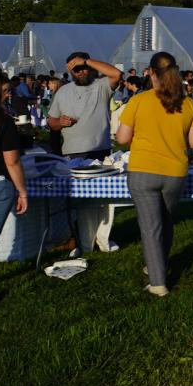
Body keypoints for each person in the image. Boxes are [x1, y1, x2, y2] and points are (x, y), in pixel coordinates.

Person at [115, 53, 193, 297]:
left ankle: (158, 282)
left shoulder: (139, 100)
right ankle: (157, 264)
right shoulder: (188, 103)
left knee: (151, 227)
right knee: (165, 220)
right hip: (175, 172)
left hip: (143, 170)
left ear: (151, 73)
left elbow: (121, 139)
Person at [47, 51, 124, 256]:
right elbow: (50, 122)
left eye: (84, 67)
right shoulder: (62, 92)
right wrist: (59, 123)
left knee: (103, 199)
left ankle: (102, 239)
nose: (81, 72)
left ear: (90, 67)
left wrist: (87, 61)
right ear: (70, 71)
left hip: (100, 151)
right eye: (76, 69)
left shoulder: (101, 86)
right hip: (72, 153)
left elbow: (116, 74)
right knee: (76, 200)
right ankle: (78, 239)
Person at [0, 67, 29, 303]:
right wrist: (22, 191)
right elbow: (12, 162)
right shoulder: (3, 121)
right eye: (3, 91)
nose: (7, 95)